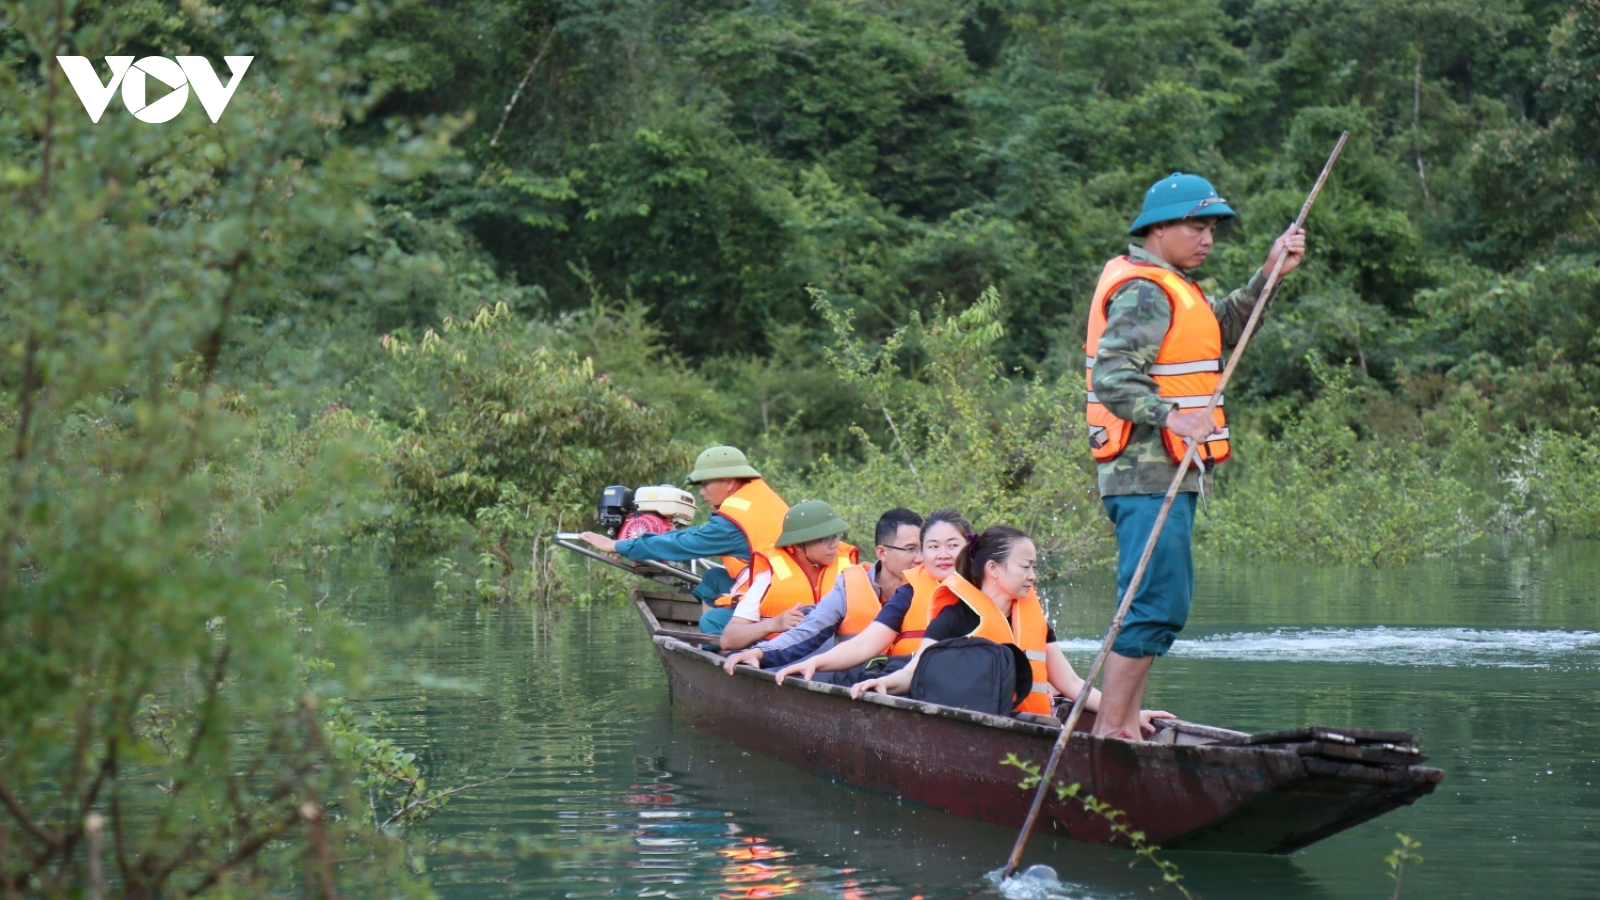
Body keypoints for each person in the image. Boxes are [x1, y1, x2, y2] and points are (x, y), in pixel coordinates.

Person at [1084, 172, 1305, 738]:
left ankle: (1123, 724)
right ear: (1158, 228)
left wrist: (1269, 273)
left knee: (1161, 601)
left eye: (1211, 229)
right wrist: (1174, 416)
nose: (1207, 239)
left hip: (1170, 471)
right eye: (1195, 227)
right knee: (1151, 600)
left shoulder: (1177, 285)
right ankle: (1111, 731)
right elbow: (1113, 378)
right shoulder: (1144, 289)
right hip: (1144, 472)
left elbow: (1226, 326)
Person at [851, 526, 1172, 735]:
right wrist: (883, 682)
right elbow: (913, 673)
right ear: (993, 569)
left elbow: (1073, 684)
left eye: (1034, 567)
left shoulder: (1033, 620)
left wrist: (1130, 713)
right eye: (1025, 566)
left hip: (1036, 727)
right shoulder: (954, 618)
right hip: (980, 733)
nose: (1033, 576)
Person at [578, 445, 787, 638]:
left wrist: (616, 544)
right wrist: (627, 546)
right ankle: (712, 642)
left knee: (711, 621)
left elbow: (680, 543)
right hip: (781, 587)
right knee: (713, 578)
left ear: (730, 482)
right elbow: (692, 535)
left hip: (777, 606)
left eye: (705, 484)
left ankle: (724, 653)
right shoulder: (759, 500)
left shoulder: (731, 525)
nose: (701, 491)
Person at [769, 508, 971, 686]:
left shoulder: (982, 587)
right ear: (881, 553)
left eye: (953, 546)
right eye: (933, 547)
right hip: (898, 681)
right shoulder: (907, 593)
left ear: (970, 547)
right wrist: (812, 662)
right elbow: (861, 645)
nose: (942, 554)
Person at [721, 508, 923, 683]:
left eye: (924, 548)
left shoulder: (934, 589)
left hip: (912, 684)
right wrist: (760, 652)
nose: (920, 558)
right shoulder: (849, 584)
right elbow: (808, 632)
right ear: (882, 553)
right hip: (852, 684)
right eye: (911, 549)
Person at [718, 500, 860, 651]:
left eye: (836, 535)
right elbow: (728, 640)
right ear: (798, 545)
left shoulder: (850, 572)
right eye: (825, 539)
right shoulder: (769, 577)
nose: (835, 544)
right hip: (783, 659)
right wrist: (773, 624)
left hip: (837, 660)